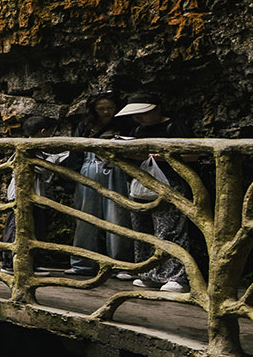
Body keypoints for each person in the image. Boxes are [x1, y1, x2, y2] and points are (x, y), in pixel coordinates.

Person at [120, 93, 204, 293]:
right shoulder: (138, 129)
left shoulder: (174, 127)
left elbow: (194, 154)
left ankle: (175, 275)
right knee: (142, 230)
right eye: (135, 115)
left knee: (170, 229)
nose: (138, 118)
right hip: (142, 183)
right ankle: (147, 272)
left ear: (157, 109)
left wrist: (164, 157)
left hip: (170, 183)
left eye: (143, 114)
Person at [66, 91, 141, 278]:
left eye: (109, 108)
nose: (106, 112)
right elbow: (75, 150)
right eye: (101, 109)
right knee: (85, 217)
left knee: (118, 216)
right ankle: (82, 264)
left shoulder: (126, 124)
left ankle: (121, 264)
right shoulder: (85, 125)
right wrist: (72, 178)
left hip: (116, 169)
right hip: (89, 167)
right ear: (94, 110)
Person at [0, 117, 69, 274]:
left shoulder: (36, 149)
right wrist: (59, 157)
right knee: (16, 228)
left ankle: (29, 264)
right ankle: (11, 263)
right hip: (21, 194)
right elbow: (42, 169)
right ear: (43, 131)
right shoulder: (26, 148)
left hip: (33, 195)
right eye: (51, 132)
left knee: (35, 229)